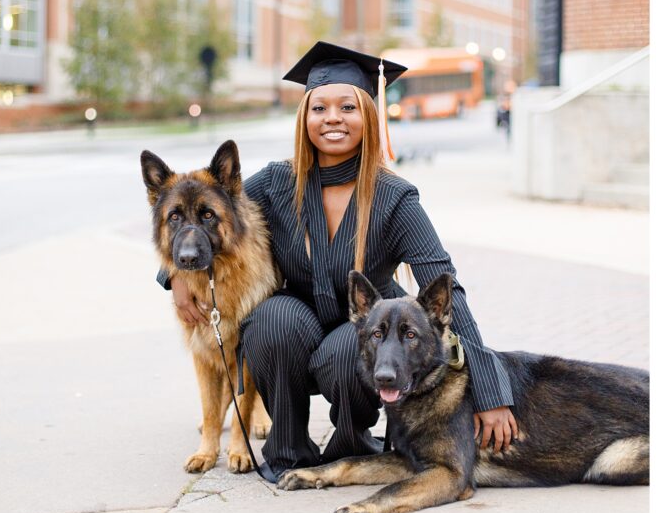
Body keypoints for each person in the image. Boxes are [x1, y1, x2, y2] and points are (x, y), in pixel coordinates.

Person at [161, 41, 518, 479]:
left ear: (368, 116)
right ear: (305, 118)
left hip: (366, 335)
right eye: (320, 108)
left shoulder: (394, 198)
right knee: (271, 320)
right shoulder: (277, 182)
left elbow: (446, 289)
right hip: (296, 329)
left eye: (347, 107)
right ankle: (288, 449)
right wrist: (174, 275)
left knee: (352, 344)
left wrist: (489, 390)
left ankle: (354, 446)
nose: (332, 118)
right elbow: (209, 215)